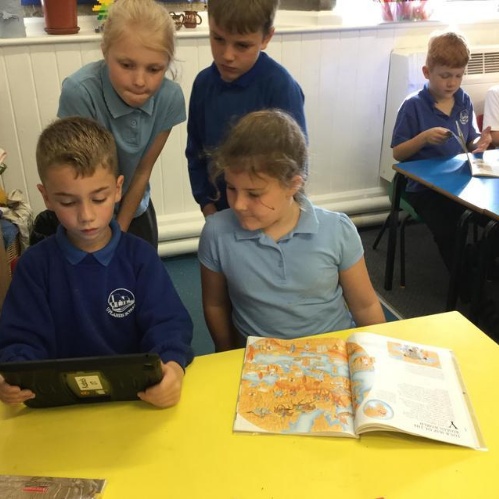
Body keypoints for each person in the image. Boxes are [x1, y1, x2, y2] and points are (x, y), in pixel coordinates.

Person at [0, 117, 194, 408]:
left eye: (99, 198)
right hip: (60, 406)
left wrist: (173, 369)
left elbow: (169, 325)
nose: (86, 216)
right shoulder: (34, 266)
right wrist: (13, 377)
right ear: (46, 197)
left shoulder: (140, 257)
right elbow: (21, 338)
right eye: (68, 202)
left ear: (117, 189)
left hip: (135, 399)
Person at [198, 109, 385, 352]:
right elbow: (215, 305)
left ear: (293, 185)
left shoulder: (337, 230)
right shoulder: (216, 232)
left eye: (254, 194)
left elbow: (365, 306)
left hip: (331, 353)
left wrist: (379, 357)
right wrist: (224, 354)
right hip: (260, 360)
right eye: (231, 188)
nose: (239, 204)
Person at [58, 0, 185, 248]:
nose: (140, 81)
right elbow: (79, 176)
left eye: (154, 69)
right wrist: (101, 233)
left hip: (133, 205)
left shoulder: (170, 98)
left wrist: (120, 233)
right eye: (127, 65)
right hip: (84, 208)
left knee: (138, 267)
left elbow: (142, 171)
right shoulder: (80, 93)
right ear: (105, 51)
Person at [186, 0, 307, 218]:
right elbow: (196, 152)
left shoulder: (281, 87)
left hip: (268, 215)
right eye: (218, 39)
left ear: (266, 38)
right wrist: (207, 205)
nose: (227, 55)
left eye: (242, 45)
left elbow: (295, 165)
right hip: (221, 212)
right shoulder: (203, 84)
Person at [391, 31, 492, 274]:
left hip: (459, 183)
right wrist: (424, 138)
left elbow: (470, 139)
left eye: (458, 76)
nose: (452, 83)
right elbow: (398, 153)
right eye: (445, 76)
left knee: (492, 222)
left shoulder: (463, 100)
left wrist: (479, 143)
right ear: (427, 72)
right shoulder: (413, 105)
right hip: (424, 188)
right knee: (449, 229)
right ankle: (465, 280)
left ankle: (475, 259)